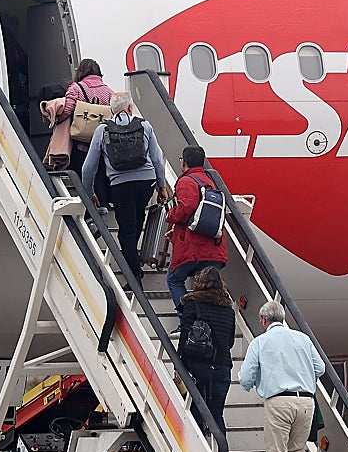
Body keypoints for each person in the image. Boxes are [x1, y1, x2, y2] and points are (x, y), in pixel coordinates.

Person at [238, 301, 325, 452]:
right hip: (306, 401)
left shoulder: (260, 343)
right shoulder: (302, 338)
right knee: (297, 449)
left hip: (278, 402)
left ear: (264, 321)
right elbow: (320, 368)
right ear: (283, 318)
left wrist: (254, 383)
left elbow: (246, 377)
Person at [81, 91, 170, 285]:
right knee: (137, 222)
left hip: (120, 185)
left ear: (112, 111)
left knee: (125, 231)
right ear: (130, 108)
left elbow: (88, 167)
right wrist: (162, 186)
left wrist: (89, 194)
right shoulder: (145, 126)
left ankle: (135, 274)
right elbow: (156, 159)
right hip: (146, 183)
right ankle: (134, 269)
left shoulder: (103, 130)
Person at [165, 145, 228, 309]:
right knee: (208, 288)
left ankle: (187, 317)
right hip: (214, 248)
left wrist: (170, 215)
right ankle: (205, 320)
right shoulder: (211, 181)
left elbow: (186, 209)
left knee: (174, 279)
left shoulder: (186, 181)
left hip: (193, 250)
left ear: (184, 162)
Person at [175, 266, 236, 434]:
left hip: (197, 366)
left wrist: (179, 365)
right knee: (217, 415)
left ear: (199, 281)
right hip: (223, 367)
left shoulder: (192, 303)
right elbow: (229, 342)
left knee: (195, 413)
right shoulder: (228, 309)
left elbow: (185, 336)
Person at [55, 59, 115, 201]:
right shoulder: (109, 91)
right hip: (101, 144)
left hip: (82, 143)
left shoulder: (76, 88)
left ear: (80, 72)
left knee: (81, 174)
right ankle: (103, 205)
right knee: (100, 175)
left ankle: (87, 206)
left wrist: (58, 119)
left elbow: (68, 108)